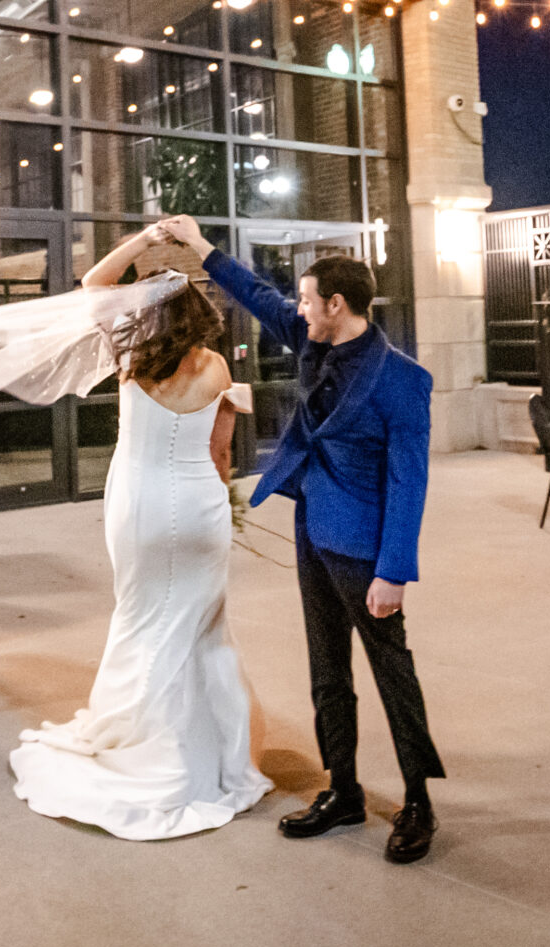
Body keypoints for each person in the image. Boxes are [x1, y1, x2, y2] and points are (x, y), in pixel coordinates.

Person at [0, 228, 269, 840]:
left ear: (143, 315)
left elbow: (93, 285)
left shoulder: (128, 355)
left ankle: (137, 739)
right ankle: (205, 758)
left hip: (139, 505)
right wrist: (222, 503)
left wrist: (145, 239)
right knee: (199, 625)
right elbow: (221, 456)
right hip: (199, 507)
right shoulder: (218, 368)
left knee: (143, 617)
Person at [155, 214, 444, 865]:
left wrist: (392, 570)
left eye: (309, 299)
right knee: (326, 669)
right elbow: (259, 295)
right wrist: (200, 244)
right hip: (313, 527)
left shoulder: (403, 380)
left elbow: (409, 482)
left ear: (336, 305)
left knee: (392, 670)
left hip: (367, 546)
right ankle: (342, 789)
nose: (300, 307)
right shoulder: (313, 340)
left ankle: (419, 800)